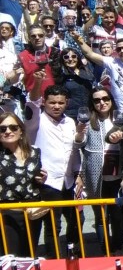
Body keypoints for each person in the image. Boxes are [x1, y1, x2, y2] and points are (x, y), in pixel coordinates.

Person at [25, 81, 83, 258]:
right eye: (52, 102)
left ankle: (74, 256)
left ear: (67, 103)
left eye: (60, 102)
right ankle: (53, 259)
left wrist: (78, 174)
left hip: (69, 180)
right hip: (48, 182)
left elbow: (74, 150)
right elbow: (31, 104)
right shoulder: (36, 121)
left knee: (76, 220)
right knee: (53, 225)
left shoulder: (70, 122)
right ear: (44, 102)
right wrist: (37, 82)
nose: (56, 106)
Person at [76, 85, 123, 252]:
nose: (102, 103)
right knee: (100, 214)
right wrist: (80, 133)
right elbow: (79, 143)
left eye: (105, 99)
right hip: (96, 174)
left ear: (111, 100)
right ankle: (104, 248)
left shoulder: (120, 118)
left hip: (117, 173)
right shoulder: (88, 121)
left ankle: (117, 246)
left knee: (117, 213)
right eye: (97, 100)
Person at [0, 112, 45, 257]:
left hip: (33, 213)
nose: (8, 131)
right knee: (11, 258)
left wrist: (41, 179)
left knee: (29, 256)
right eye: (3, 129)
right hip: (8, 215)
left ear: (21, 130)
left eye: (13, 127)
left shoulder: (34, 152)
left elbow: (35, 179)